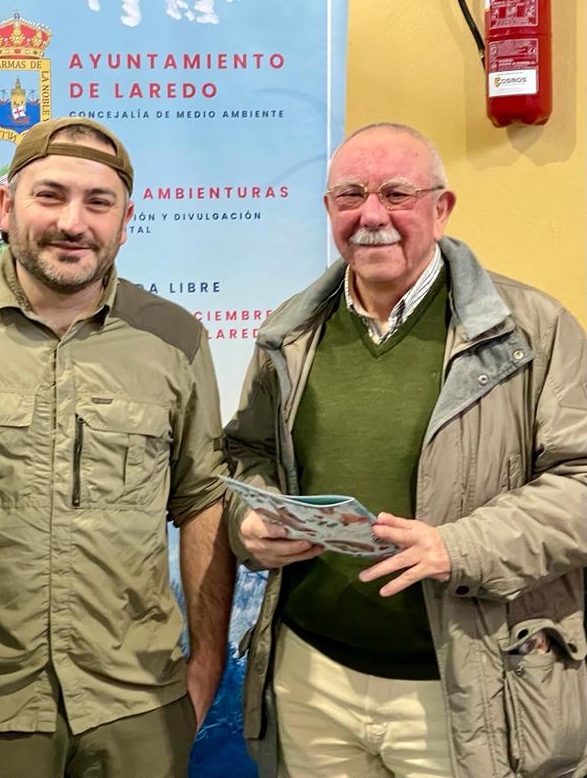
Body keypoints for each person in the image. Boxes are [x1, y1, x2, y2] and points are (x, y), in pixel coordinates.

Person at [224, 122, 587, 777]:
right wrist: (251, 521)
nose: (371, 216)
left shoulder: (534, 330)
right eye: (350, 195)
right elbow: (245, 453)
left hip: (470, 684)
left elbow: (581, 483)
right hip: (311, 680)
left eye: (396, 194)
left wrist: (462, 546)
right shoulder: (289, 332)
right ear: (329, 209)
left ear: (441, 209)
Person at [0, 117, 235, 776]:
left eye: (98, 203)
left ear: (125, 222)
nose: (73, 222)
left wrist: (207, 663)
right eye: (50, 196)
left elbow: (201, 501)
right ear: (6, 205)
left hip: (137, 705)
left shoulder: (174, 340)